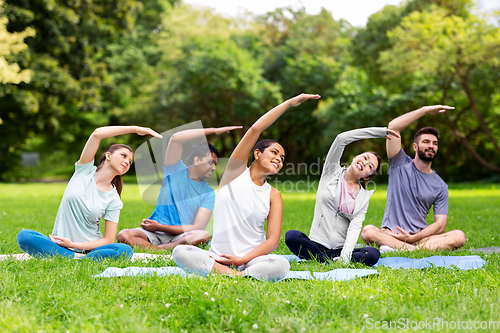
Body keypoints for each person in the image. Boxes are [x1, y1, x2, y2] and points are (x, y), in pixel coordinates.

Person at [172, 93, 321, 281]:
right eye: (274, 152)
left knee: (282, 264)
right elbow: (255, 129)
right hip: (218, 257)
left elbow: (272, 241)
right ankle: (238, 276)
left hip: (253, 260)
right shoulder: (234, 174)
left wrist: (242, 259)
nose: (279, 159)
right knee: (181, 251)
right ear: (257, 153)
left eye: (282, 159)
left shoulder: (273, 195)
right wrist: (290, 103)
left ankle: (233, 273)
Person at [17, 126, 162, 260]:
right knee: (25, 236)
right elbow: (97, 134)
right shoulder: (84, 171)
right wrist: (135, 129)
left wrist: (75, 245)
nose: (127, 162)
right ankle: (73, 257)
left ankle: (74, 257)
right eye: (124, 156)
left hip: (89, 249)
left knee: (124, 250)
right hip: (60, 244)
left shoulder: (114, 199)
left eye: (130, 162)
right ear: (108, 156)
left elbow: (108, 240)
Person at [285, 127, 400, 267]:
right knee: (291, 236)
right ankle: (326, 259)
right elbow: (341, 139)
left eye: (370, 167)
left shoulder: (363, 197)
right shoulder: (331, 171)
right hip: (316, 243)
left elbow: (354, 228)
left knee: (373, 254)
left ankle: (321, 259)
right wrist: (380, 132)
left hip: (340, 249)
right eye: (364, 157)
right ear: (355, 157)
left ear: (368, 177)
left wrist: (345, 256)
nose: (365, 163)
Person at [361, 105, 467, 252]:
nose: (431, 146)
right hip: (391, 234)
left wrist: (413, 238)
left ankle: (406, 249)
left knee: (459, 236)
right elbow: (393, 127)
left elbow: (440, 225)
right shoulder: (399, 162)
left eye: (435, 143)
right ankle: (413, 250)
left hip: (419, 238)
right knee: (368, 231)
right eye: (426, 142)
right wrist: (424, 110)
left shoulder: (440, 186)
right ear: (415, 147)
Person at [117, 127, 241, 250]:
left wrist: (160, 227)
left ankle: (158, 249)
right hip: (153, 233)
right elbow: (176, 138)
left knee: (203, 235)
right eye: (210, 162)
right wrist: (214, 130)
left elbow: (197, 227)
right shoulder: (174, 170)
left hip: (180, 236)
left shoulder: (208, 193)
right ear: (197, 160)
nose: (214, 168)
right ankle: (163, 249)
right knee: (124, 235)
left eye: (215, 164)